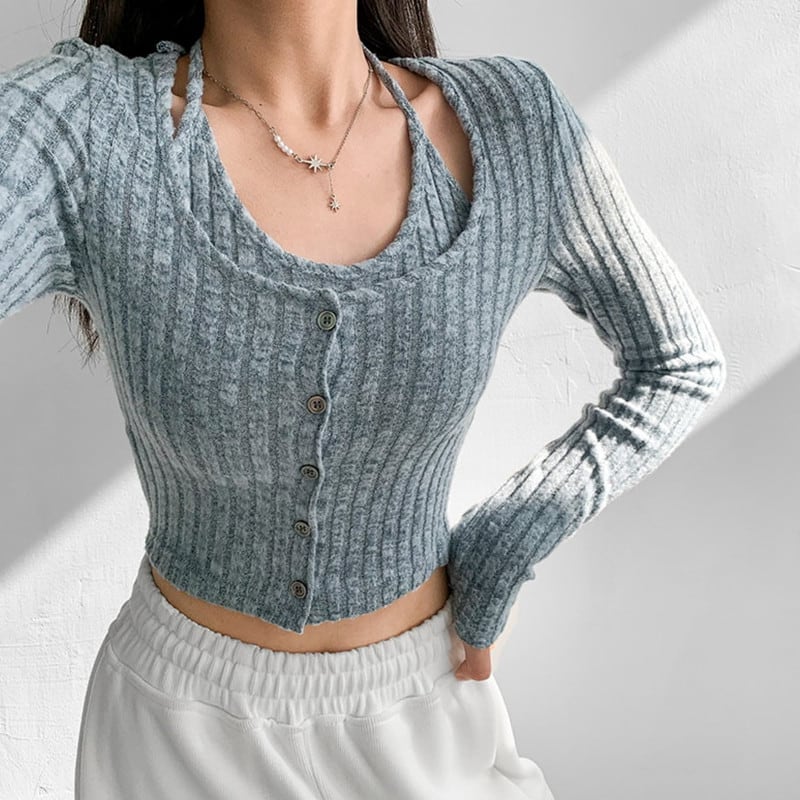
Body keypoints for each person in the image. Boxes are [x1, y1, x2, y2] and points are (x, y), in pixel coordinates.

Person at [0, 1, 726, 798]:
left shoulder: (512, 127)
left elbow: (678, 363)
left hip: (426, 716)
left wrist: (509, 539)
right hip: (177, 738)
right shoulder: (83, 129)